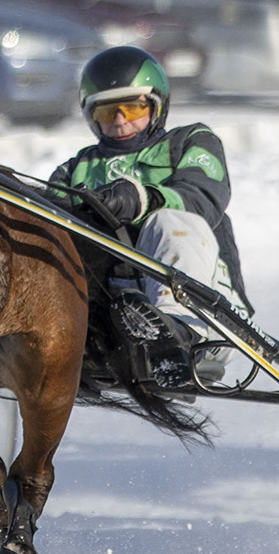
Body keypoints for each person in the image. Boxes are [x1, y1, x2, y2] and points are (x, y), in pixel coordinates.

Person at [50, 45, 248, 382]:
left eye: (133, 107)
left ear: (157, 105)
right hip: (111, 319)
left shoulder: (191, 142)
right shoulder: (74, 170)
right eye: (106, 111)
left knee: (169, 221)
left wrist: (140, 200)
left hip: (208, 312)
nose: (120, 120)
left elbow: (203, 196)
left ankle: (177, 333)